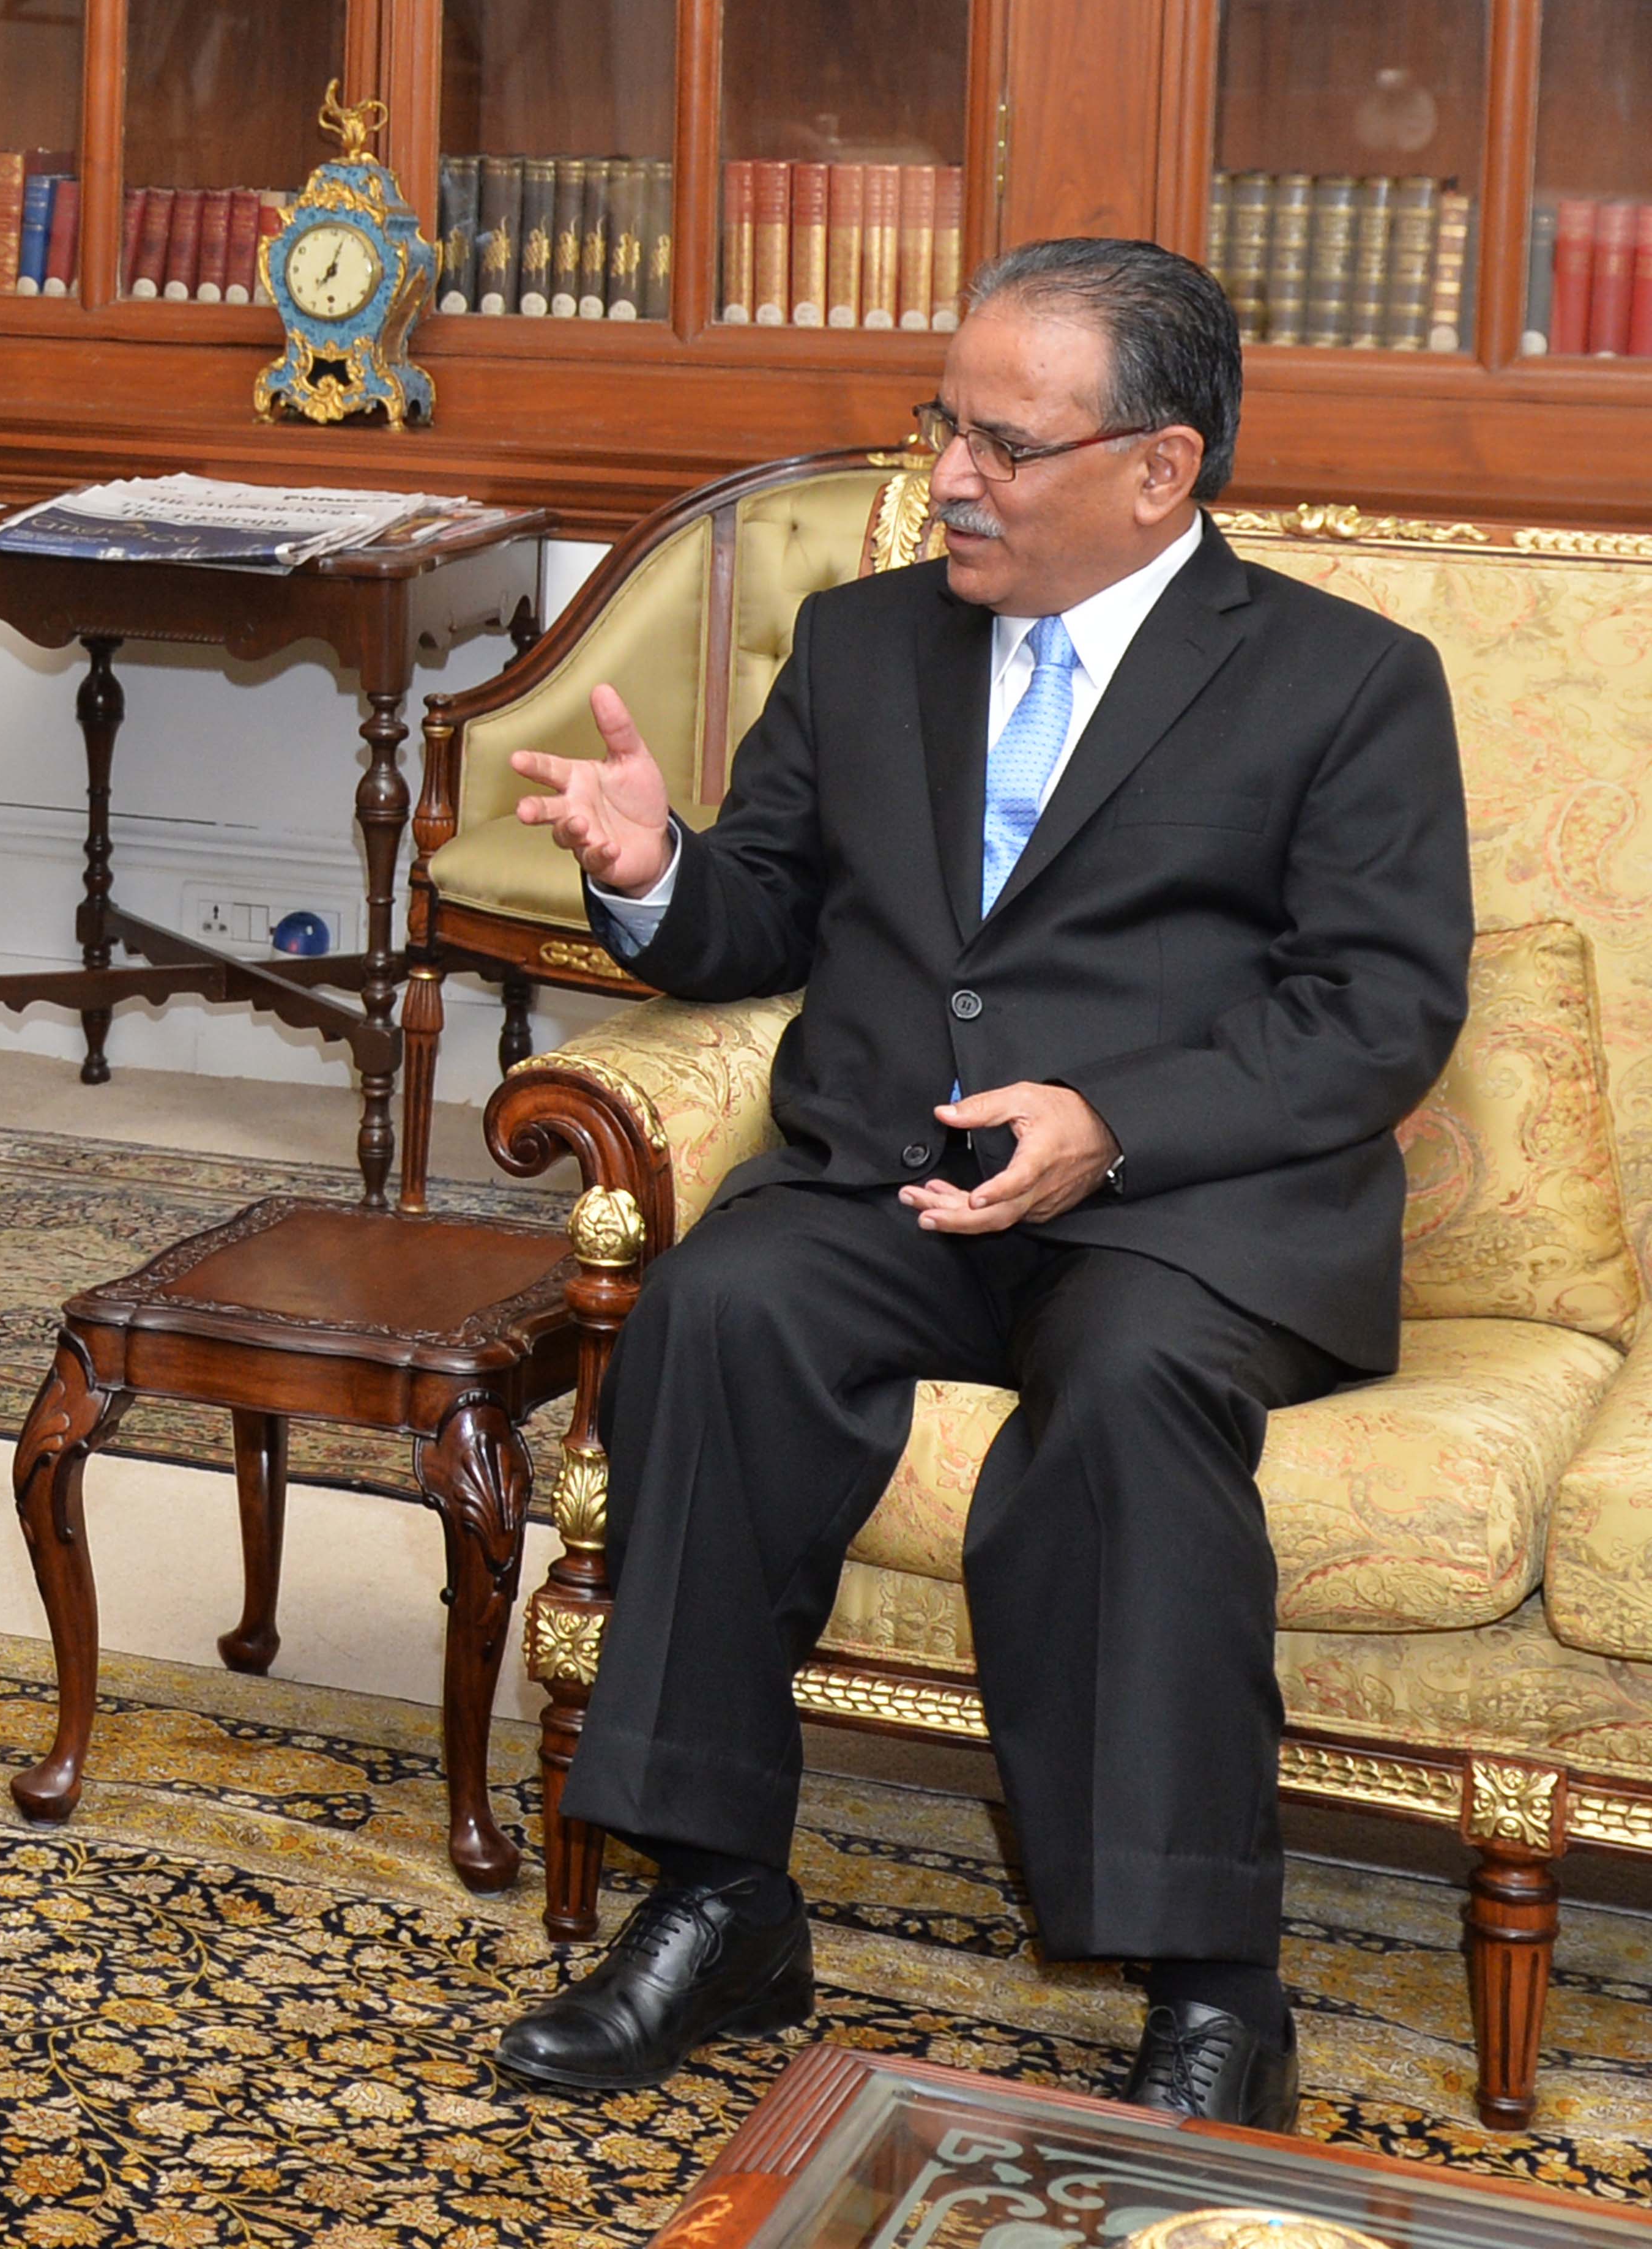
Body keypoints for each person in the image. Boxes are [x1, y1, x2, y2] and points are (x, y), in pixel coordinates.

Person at [490, 237, 1468, 2125]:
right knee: (720, 1310)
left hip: (1173, 1205)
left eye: (1004, 444)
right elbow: (756, 911)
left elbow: (1378, 1012)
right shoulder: (868, 645)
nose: (949, 474)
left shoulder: (1342, 685)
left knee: (1124, 1398)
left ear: (1158, 470)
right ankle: (716, 1903)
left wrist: (1111, 1118)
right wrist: (649, 873)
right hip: (891, 1185)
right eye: (946, 425)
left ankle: (1211, 1996)